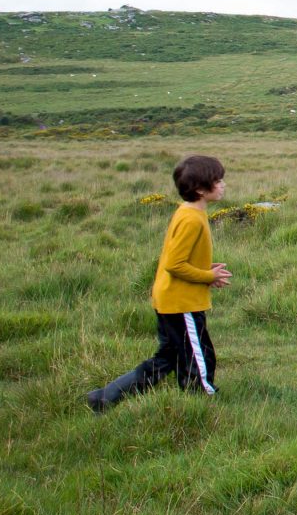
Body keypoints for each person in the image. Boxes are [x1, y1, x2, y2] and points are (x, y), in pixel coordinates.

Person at [85, 153, 233, 411]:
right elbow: (174, 265)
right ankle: (202, 400)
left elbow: (178, 258)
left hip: (171, 298)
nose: (223, 185)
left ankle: (106, 397)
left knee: (167, 358)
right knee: (198, 355)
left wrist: (204, 270)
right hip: (181, 303)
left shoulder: (189, 212)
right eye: (217, 180)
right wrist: (208, 276)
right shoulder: (190, 219)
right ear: (200, 189)